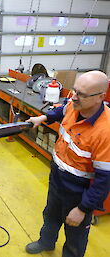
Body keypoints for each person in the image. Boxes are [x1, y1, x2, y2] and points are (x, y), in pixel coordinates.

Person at [25, 70, 110, 257]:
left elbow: (104, 181)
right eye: (74, 90)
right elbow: (60, 110)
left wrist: (83, 209)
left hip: (79, 193)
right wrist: (43, 118)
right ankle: (46, 242)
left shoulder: (105, 132)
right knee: (50, 215)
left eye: (81, 94)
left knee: (75, 235)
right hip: (58, 179)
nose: (73, 97)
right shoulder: (74, 104)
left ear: (100, 97)